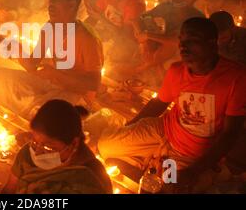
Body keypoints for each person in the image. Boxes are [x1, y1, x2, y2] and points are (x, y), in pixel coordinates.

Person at [98, 18, 246, 192]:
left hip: (190, 155)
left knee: (171, 187)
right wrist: (130, 127)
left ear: (212, 43)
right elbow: (158, 104)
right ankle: (152, 160)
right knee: (105, 145)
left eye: (192, 40)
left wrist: (193, 171)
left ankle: (153, 162)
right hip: (163, 131)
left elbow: (230, 134)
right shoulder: (177, 70)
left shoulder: (236, 78)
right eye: (182, 40)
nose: (183, 46)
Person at [0, 0, 104, 118]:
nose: (50, 5)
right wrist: (13, 47)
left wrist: (56, 75)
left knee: (39, 113)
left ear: (71, 5)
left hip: (78, 97)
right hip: (53, 85)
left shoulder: (88, 38)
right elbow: (32, 65)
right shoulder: (50, 27)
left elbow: (94, 84)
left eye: (56, 0)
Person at [2, 99, 112, 194]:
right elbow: (9, 190)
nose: (37, 153)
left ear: (73, 144)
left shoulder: (91, 179)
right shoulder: (28, 152)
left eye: (48, 148)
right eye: (34, 142)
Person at [134, 0, 205, 77]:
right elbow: (140, 18)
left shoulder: (196, 19)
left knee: (172, 48)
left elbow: (177, 42)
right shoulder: (166, 7)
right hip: (155, 53)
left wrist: (148, 36)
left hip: (179, 59)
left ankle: (147, 68)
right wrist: (140, 34)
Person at [86, 0, 145, 69]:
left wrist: (100, 18)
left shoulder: (135, 4)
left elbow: (125, 37)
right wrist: (79, 29)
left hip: (124, 46)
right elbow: (94, 17)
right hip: (105, 36)